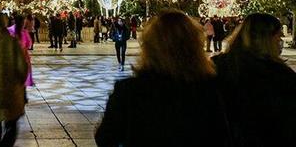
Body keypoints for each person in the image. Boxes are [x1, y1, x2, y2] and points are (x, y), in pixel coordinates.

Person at [95, 10, 230, 147]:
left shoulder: (130, 91)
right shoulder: (208, 90)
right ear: (194, 46)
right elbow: (221, 136)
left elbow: (105, 137)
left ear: (149, 46)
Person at [213, 13, 296, 146]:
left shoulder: (217, 65)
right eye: (278, 36)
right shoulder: (277, 74)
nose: (280, 40)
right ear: (266, 38)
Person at [0, 11, 28, 147]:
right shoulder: (12, 42)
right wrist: (19, 85)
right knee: (11, 126)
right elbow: (23, 68)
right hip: (11, 92)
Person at [8, 14, 34, 88]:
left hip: (12, 55)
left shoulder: (10, 30)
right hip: (23, 56)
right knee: (22, 76)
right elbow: (29, 43)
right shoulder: (24, 32)